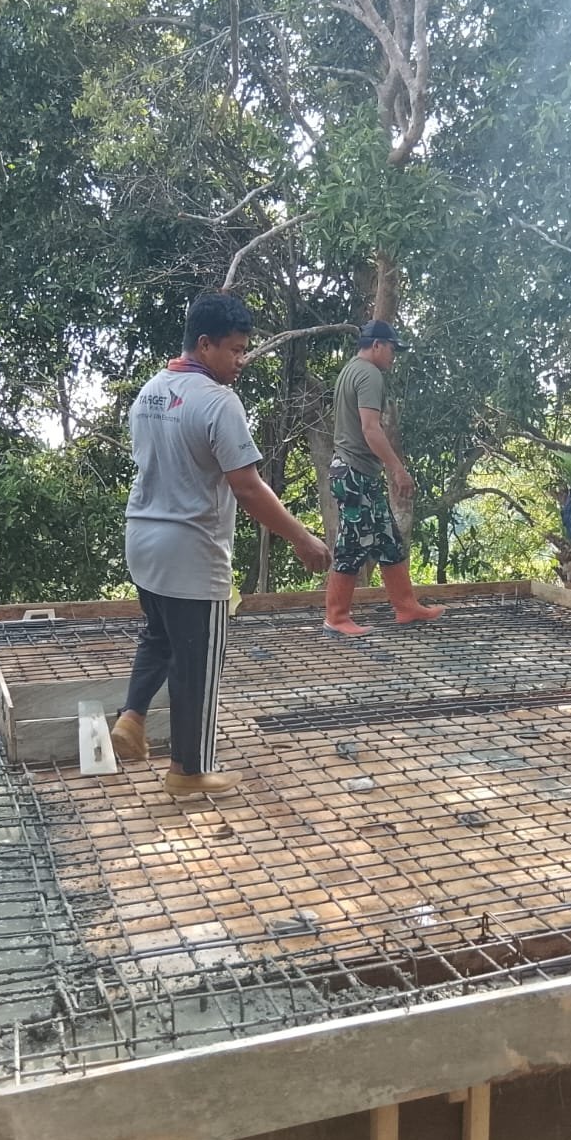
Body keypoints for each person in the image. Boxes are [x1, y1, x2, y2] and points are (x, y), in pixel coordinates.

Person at [111, 293, 332, 797]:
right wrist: (301, 538)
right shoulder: (217, 401)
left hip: (142, 539)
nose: (241, 361)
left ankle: (132, 715)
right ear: (205, 344)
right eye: (234, 350)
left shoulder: (150, 392)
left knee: (159, 637)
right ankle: (188, 771)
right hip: (192, 551)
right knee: (198, 664)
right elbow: (247, 487)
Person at [323, 320, 446, 635]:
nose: (394, 356)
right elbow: (370, 429)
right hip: (354, 472)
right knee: (352, 543)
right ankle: (336, 618)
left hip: (356, 471)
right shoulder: (369, 374)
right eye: (392, 349)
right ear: (376, 345)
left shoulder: (350, 370)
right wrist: (397, 468)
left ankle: (406, 606)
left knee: (388, 539)